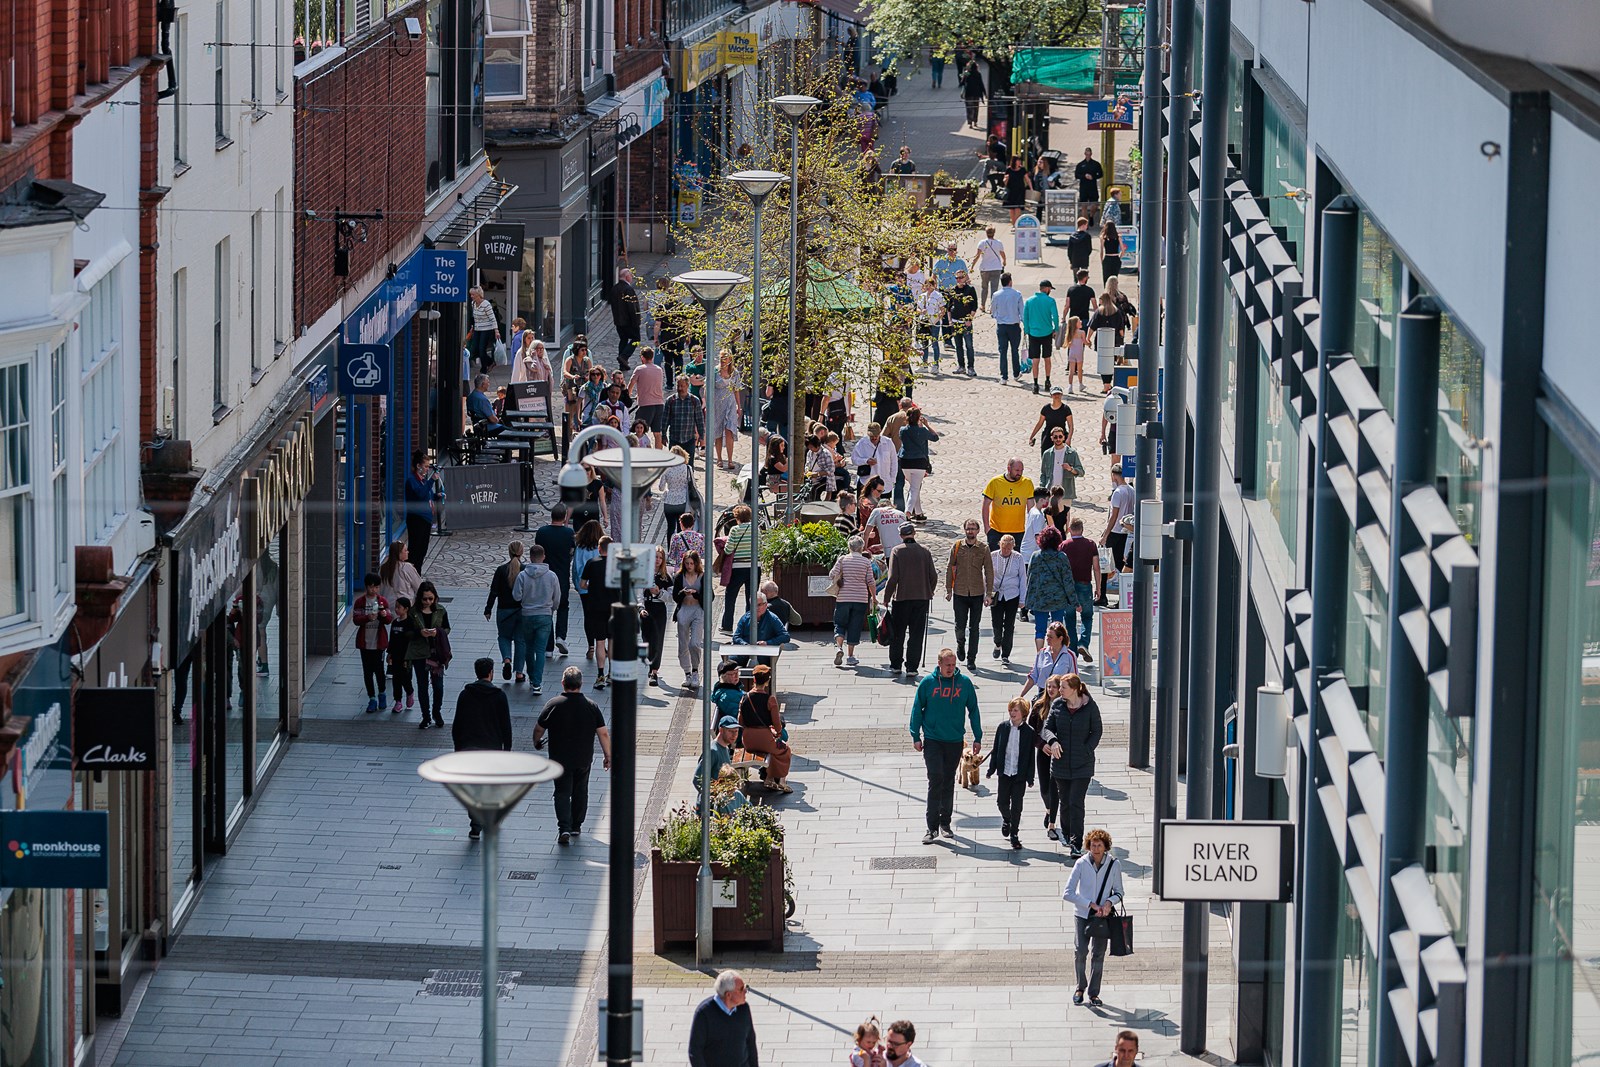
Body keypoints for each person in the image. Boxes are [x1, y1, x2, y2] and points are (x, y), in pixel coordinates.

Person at [909, 648, 982, 844]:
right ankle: (931, 827)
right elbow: (917, 708)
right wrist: (915, 735)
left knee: (948, 781)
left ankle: (945, 823)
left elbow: (973, 710)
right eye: (947, 665)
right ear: (939, 664)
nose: (951, 668)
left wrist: (978, 737)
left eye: (953, 665)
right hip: (933, 739)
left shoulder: (964, 683)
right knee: (936, 779)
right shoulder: (928, 683)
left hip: (954, 740)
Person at [534, 666, 612, 844]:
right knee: (581, 790)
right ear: (581, 684)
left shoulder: (553, 704)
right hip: (583, 757)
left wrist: (536, 742)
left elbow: (539, 728)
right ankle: (576, 825)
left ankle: (564, 828)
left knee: (561, 792)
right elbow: (603, 733)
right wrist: (608, 755)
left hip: (559, 758)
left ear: (563, 683)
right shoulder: (591, 706)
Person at [451, 658, 514, 839]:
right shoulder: (499, 696)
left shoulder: (465, 695)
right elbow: (505, 726)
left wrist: (458, 748)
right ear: (491, 673)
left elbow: (457, 724)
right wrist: (507, 749)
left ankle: (475, 823)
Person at [1042, 674, 1103, 857]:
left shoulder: (1089, 706)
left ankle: (1077, 842)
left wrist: (1087, 749)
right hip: (1060, 764)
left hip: (1082, 765)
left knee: (1076, 802)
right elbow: (1047, 727)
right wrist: (1052, 741)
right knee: (1065, 802)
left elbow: (1097, 730)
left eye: (1063, 687)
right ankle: (1067, 834)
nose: (1059, 691)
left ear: (1074, 689)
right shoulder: (1058, 705)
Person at [1063, 827, 1125, 1005]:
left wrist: (1108, 903)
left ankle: (1094, 992)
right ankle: (1080, 986)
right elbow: (1067, 893)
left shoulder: (1114, 865)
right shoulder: (1081, 863)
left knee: (1098, 954)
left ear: (1106, 847)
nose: (1096, 849)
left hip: (1102, 916)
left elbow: (1119, 892)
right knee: (1080, 951)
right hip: (1083, 914)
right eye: (1092, 845)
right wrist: (1089, 904)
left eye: (1099, 845)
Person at [884, 523, 938, 680]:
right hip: (921, 598)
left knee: (898, 633)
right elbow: (933, 576)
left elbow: (893, 578)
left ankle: (895, 664)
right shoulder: (925, 551)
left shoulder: (897, 551)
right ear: (914, 533)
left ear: (901, 535)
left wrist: (887, 598)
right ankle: (912, 667)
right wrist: (930, 590)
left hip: (901, 598)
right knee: (916, 633)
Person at [987, 696, 1037, 849]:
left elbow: (1030, 756)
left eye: (1015, 710)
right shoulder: (1002, 727)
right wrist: (991, 768)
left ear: (1023, 713)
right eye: (1010, 710)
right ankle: (1006, 819)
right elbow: (996, 749)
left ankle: (1014, 834)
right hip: (1005, 772)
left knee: (1017, 805)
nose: (1012, 713)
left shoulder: (1029, 732)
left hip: (1019, 774)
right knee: (1001, 802)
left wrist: (1030, 777)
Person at [511, 544, 562, 693]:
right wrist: (552, 609)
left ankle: (532, 677)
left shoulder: (522, 575)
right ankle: (537, 684)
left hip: (527, 615)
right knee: (540, 650)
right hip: (545, 615)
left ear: (530, 557)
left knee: (529, 647)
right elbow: (557, 598)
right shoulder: (552, 576)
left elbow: (516, 596)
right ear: (544, 556)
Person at [946, 519, 994, 670]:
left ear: (978, 531)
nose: (970, 531)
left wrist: (989, 593)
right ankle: (960, 644)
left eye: (973, 529)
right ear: (965, 530)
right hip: (959, 592)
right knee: (960, 626)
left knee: (974, 627)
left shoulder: (983, 549)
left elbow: (989, 571)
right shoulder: (957, 546)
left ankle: (971, 658)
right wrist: (948, 589)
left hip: (976, 593)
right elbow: (950, 567)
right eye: (968, 529)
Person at [687, 970, 759, 1067]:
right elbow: (695, 1051)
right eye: (741, 989)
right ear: (728, 995)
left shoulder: (744, 1008)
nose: (745, 991)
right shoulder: (704, 1014)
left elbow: (750, 1042)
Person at [1024, 542, 1081, 663]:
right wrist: (1074, 601)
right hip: (1058, 599)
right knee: (1058, 628)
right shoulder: (1061, 556)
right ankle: (1056, 655)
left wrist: (1028, 600)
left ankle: (1039, 656)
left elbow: (1030, 578)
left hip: (1040, 599)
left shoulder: (1035, 556)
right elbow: (1068, 580)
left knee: (1039, 629)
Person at [739, 664, 791, 792]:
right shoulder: (770, 700)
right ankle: (781, 781)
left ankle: (770, 779)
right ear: (767, 681)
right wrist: (777, 733)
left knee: (773, 750)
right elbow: (777, 723)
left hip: (748, 740)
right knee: (784, 750)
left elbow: (740, 720)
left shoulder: (745, 698)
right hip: (764, 739)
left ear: (754, 680)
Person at [829, 535, 877, 667]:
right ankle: (850, 656)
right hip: (860, 598)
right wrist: (874, 597)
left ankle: (839, 648)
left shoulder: (843, 559)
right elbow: (870, 582)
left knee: (840, 624)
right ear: (861, 548)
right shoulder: (866, 562)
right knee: (854, 626)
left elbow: (832, 574)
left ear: (849, 547)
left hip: (843, 597)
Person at [535, 504, 576, 657]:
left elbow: (537, 550)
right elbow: (572, 550)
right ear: (565, 517)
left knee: (547, 609)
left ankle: (548, 647)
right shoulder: (569, 533)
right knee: (563, 606)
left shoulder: (542, 532)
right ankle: (561, 636)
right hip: (562, 575)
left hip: (545, 574)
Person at [484, 541, 526, 683]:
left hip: (504, 610)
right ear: (522, 552)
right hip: (521, 611)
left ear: (509, 552)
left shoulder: (501, 570)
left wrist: (488, 609)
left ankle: (507, 659)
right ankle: (519, 673)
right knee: (521, 641)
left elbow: (494, 591)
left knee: (504, 637)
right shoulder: (524, 570)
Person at [577, 537, 616, 688]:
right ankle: (612, 674)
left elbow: (582, 584)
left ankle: (600, 675)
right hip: (614, 607)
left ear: (599, 548)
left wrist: (592, 589)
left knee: (600, 641)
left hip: (596, 607)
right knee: (612, 641)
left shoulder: (592, 563)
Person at [412, 583, 451, 729]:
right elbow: (407, 631)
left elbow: (447, 628)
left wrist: (438, 632)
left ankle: (437, 712)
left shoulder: (440, 610)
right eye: (425, 599)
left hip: (436, 654)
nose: (428, 602)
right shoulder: (413, 612)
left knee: (438, 686)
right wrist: (419, 633)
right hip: (419, 653)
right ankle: (426, 716)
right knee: (422, 686)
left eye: (430, 599)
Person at [353, 573, 392, 713]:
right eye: (371, 587)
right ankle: (372, 698)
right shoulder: (360, 602)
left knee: (379, 670)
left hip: (378, 642)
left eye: (376, 587)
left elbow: (389, 619)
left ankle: (382, 693)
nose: (374, 590)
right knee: (367, 672)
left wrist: (384, 615)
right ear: (366, 587)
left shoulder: (382, 602)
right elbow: (356, 620)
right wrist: (367, 618)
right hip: (365, 643)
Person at [1062, 519, 1100, 662]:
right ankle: (1084, 643)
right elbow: (1096, 568)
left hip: (1069, 588)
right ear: (1082, 529)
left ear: (1070, 529)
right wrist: (1099, 587)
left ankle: (1072, 651)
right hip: (1085, 585)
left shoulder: (1064, 546)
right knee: (1087, 616)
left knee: (1069, 618)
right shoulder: (1090, 545)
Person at [982, 457, 1035, 551]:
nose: (1019, 473)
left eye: (1021, 470)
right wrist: (987, 528)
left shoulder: (1027, 483)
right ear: (1009, 468)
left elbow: (1031, 509)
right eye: (1017, 470)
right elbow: (986, 505)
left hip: (1018, 531)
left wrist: (1031, 530)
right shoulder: (995, 482)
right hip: (997, 531)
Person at [896, 408, 939, 521]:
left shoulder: (902, 430)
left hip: (905, 462)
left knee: (914, 487)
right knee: (915, 488)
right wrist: (927, 425)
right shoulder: (922, 431)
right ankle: (908, 512)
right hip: (919, 462)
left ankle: (919, 513)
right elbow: (935, 437)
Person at [718, 504, 756, 632]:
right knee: (751, 598)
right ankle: (748, 626)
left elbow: (728, 549)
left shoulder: (734, 530)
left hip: (738, 568)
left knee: (731, 597)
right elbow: (760, 548)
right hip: (754, 567)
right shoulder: (756, 529)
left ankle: (727, 626)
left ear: (737, 517)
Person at [673, 551, 708, 687]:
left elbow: (709, 596)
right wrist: (683, 593)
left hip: (697, 611)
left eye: (691, 563)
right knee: (683, 645)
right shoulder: (679, 577)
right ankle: (687, 672)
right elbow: (675, 597)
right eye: (687, 563)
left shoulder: (702, 576)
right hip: (683, 611)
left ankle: (695, 670)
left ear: (696, 563)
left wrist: (697, 594)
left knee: (694, 643)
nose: (689, 566)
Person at [404, 452, 444, 569]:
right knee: (415, 550)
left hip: (425, 519)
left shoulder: (422, 480)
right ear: (418, 466)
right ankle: (410, 576)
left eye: (428, 466)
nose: (427, 469)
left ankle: (417, 575)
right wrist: (431, 480)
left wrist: (437, 495)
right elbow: (420, 494)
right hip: (416, 519)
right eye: (426, 466)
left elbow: (428, 495)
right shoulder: (412, 480)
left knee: (422, 551)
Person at [990, 534, 1024, 665]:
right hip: (997, 595)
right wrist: (986, 594)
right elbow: (987, 575)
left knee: (1009, 625)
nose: (1005, 551)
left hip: (1012, 595)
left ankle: (1006, 654)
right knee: (996, 623)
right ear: (1000, 545)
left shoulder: (1018, 558)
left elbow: (1022, 578)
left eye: (1008, 549)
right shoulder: (993, 556)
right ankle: (997, 642)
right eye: (1004, 548)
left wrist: (1022, 599)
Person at [386, 596, 424, 713]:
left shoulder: (410, 623)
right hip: (396, 655)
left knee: (405, 677)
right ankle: (398, 701)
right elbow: (391, 639)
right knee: (396, 679)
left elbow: (415, 637)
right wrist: (389, 653)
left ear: (406, 609)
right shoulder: (394, 623)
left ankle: (409, 691)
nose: (396, 609)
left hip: (407, 656)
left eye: (399, 607)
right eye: (396, 607)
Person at [1023, 281, 1060, 395]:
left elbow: (1025, 318)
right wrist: (1056, 329)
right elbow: (1055, 316)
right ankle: (1047, 380)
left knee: (1035, 360)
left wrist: (1027, 331)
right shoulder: (1050, 301)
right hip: (1047, 333)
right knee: (1047, 358)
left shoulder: (1029, 301)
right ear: (1047, 289)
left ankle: (1035, 384)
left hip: (1033, 333)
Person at [882, 397, 915, 510]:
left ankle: (899, 509)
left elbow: (883, 436)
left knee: (899, 483)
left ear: (900, 405)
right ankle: (913, 509)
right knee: (914, 486)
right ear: (911, 406)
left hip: (897, 456)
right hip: (914, 457)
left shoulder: (892, 418)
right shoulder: (915, 418)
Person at [991, 271, 1024, 383]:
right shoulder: (1017, 294)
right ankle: (1016, 373)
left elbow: (993, 311)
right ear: (1010, 282)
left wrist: (998, 317)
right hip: (1014, 326)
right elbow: (1022, 312)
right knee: (1015, 350)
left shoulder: (996, 295)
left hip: (1002, 326)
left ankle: (1004, 376)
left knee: (1003, 351)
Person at [946, 268, 978, 376]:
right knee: (958, 345)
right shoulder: (952, 290)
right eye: (957, 278)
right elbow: (949, 307)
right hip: (955, 322)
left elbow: (974, 306)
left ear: (965, 277)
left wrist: (969, 319)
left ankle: (971, 367)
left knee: (969, 345)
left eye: (961, 277)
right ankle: (961, 366)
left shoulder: (970, 290)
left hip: (966, 322)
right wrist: (950, 320)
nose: (959, 280)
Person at [665, 375, 706, 461]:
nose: (680, 388)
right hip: (674, 438)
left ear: (687, 386)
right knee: (673, 465)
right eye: (678, 386)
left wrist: (701, 435)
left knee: (689, 466)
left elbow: (699, 420)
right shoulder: (670, 400)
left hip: (689, 439)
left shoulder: (694, 401)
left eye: (682, 386)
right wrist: (663, 435)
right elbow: (665, 419)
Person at [1104, 466, 1136, 573]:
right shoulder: (1132, 490)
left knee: (1112, 563)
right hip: (1127, 530)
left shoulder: (1117, 492)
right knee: (1122, 560)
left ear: (1114, 476)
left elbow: (1114, 515)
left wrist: (1105, 535)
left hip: (1116, 531)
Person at [606, 268, 640, 369]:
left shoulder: (615, 288)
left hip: (618, 321)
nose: (632, 277)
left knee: (623, 339)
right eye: (631, 275)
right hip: (629, 321)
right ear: (627, 276)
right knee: (636, 339)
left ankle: (622, 364)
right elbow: (632, 307)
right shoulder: (628, 289)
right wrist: (636, 321)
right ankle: (624, 356)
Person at [850, 420, 897, 494]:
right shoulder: (862, 443)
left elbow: (894, 462)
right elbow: (854, 459)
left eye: (876, 436)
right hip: (866, 483)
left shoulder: (888, 443)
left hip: (885, 484)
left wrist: (892, 479)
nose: (874, 438)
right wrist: (866, 461)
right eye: (872, 436)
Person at [1040, 426, 1085, 498]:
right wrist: (1042, 490)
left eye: (1060, 436)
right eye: (1055, 437)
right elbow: (1043, 474)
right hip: (1050, 493)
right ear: (1051, 438)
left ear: (1064, 437)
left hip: (1066, 493)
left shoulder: (1072, 453)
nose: (1058, 439)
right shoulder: (1047, 454)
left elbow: (1081, 472)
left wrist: (1071, 469)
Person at [630, 345, 666, 433]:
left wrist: (628, 395)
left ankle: (639, 447)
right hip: (659, 404)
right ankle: (658, 447)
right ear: (652, 357)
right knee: (657, 433)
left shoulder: (639, 369)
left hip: (645, 404)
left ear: (642, 357)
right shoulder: (659, 369)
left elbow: (631, 384)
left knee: (639, 431)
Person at [465, 286, 501, 374]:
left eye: (473, 294)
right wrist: (472, 327)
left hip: (487, 329)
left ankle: (484, 368)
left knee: (482, 349)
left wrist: (496, 331)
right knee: (475, 349)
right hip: (477, 329)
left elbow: (493, 318)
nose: (471, 296)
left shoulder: (486, 304)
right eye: (471, 294)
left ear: (478, 295)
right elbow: (475, 317)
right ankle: (490, 362)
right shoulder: (473, 304)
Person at [913, 277, 946, 369]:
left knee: (934, 343)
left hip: (934, 322)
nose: (928, 287)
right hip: (924, 321)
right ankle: (924, 364)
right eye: (927, 285)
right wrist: (921, 311)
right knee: (924, 343)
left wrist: (937, 318)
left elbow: (942, 310)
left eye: (930, 285)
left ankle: (935, 365)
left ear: (934, 286)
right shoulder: (922, 296)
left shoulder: (938, 296)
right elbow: (917, 309)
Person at [865, 486, 908, 555]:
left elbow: (866, 533)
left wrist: (864, 550)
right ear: (892, 506)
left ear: (879, 506)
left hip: (889, 552)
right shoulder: (901, 514)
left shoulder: (876, 511)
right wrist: (880, 546)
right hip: (902, 551)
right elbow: (897, 537)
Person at [972, 227, 1006, 311]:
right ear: (994, 233)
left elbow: (977, 255)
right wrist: (1004, 261)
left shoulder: (982, 243)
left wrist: (972, 266)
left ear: (986, 233)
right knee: (994, 288)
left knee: (984, 287)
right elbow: (1002, 254)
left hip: (984, 268)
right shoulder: (999, 243)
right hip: (996, 267)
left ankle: (983, 305)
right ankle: (992, 306)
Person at [1074, 148, 1104, 225]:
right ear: (1084, 154)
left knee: (1094, 205)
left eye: (1089, 154)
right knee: (1084, 206)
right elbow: (1076, 175)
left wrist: (1093, 177)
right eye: (1086, 154)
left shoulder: (1096, 164)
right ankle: (1085, 223)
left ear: (1091, 154)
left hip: (1092, 187)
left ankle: (1091, 216)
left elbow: (1100, 174)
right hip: (1083, 187)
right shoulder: (1080, 164)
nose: (1088, 155)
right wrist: (1084, 176)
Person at [1061, 316, 1087, 394]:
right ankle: (1080, 384)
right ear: (1076, 324)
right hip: (1079, 352)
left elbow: (1068, 344)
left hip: (1072, 353)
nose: (1081, 322)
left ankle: (1070, 386)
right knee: (1079, 369)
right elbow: (1085, 342)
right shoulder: (1082, 332)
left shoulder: (1070, 333)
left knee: (1071, 370)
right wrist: (1089, 343)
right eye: (1079, 321)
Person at [1002, 155, 1029, 225]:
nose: (1020, 162)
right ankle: (1013, 223)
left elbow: (1027, 179)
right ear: (1014, 161)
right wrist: (1006, 179)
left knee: (1018, 208)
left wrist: (1031, 188)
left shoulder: (1022, 169)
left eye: (1020, 160)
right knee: (1011, 208)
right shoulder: (1009, 169)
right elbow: (1004, 181)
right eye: (1018, 160)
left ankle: (1017, 224)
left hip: (1020, 190)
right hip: (1011, 190)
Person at [959, 60, 985, 127]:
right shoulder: (978, 74)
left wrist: (963, 75)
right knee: (976, 108)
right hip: (976, 93)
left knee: (969, 108)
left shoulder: (967, 73)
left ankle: (970, 122)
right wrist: (984, 93)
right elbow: (981, 84)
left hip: (968, 93)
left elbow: (962, 83)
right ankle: (975, 121)